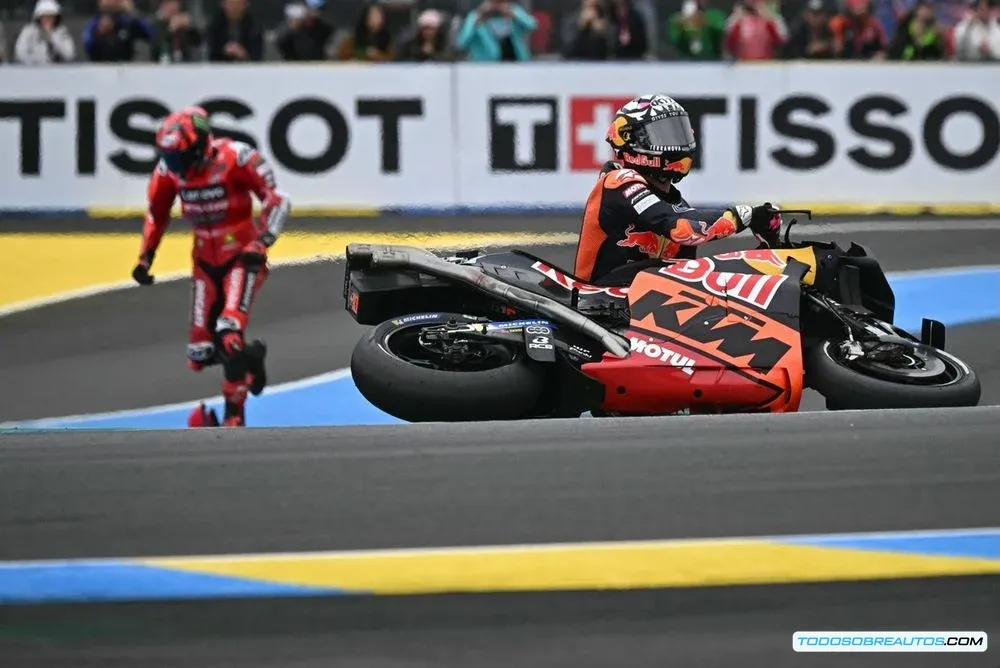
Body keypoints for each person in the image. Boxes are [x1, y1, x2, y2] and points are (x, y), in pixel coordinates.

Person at [130, 106, 291, 428]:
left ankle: (234, 415)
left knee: (228, 333)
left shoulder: (237, 157)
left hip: (242, 258)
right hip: (203, 261)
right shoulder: (167, 170)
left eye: (181, 157)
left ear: (200, 145)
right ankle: (250, 359)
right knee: (199, 353)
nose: (176, 165)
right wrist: (145, 256)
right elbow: (157, 213)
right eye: (170, 157)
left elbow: (277, 199)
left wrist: (262, 242)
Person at [573, 94, 781, 285]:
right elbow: (683, 229)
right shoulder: (618, 182)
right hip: (596, 303)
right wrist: (743, 216)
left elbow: (685, 274)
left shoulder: (678, 205)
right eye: (663, 135)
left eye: (679, 132)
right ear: (631, 141)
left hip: (644, 305)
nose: (678, 144)